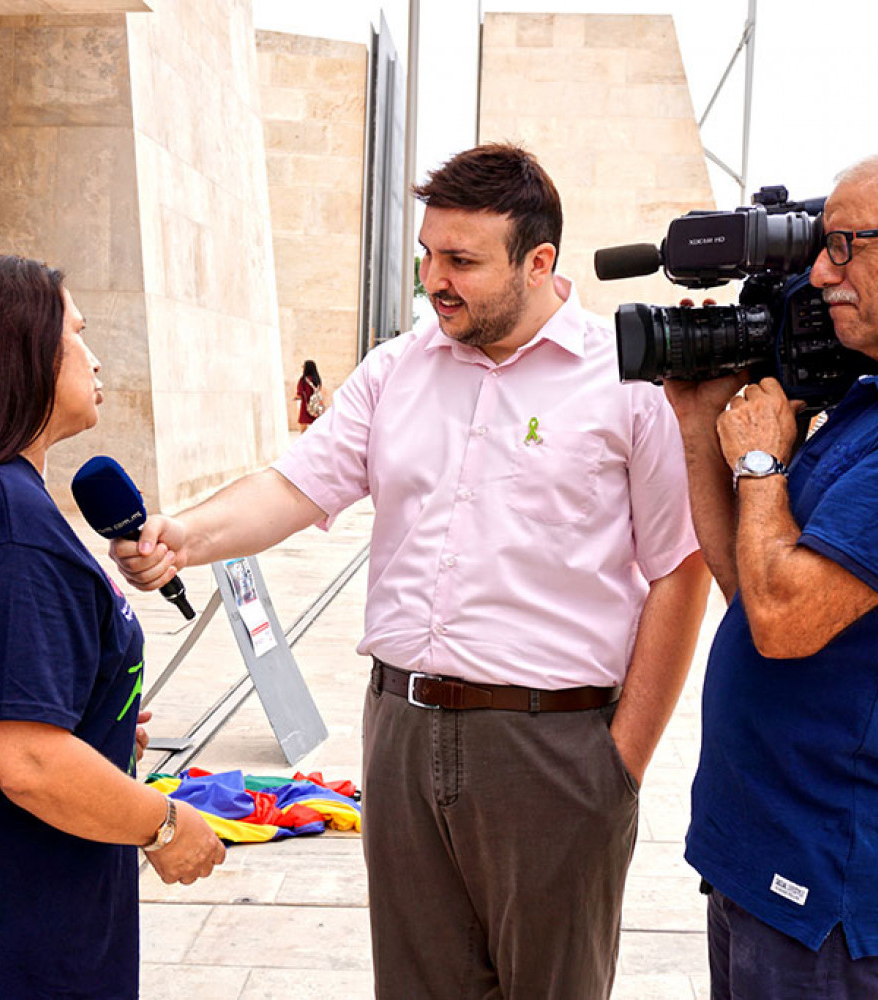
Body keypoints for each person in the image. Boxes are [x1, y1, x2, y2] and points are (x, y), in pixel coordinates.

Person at [111, 143, 709, 999]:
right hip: (400, 736)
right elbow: (295, 486)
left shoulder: (627, 380)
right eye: (428, 255)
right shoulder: (397, 368)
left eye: (462, 261)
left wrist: (620, 764)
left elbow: (680, 568)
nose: (435, 280)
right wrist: (183, 536)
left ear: (539, 262)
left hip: (552, 752)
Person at [0, 255, 225, 999]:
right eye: (77, 334)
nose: (95, 358)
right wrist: (165, 825)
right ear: (21, 355)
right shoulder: (8, 526)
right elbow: (28, 760)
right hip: (7, 932)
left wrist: (94, 718)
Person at [665, 155, 878, 999]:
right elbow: (753, 596)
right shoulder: (860, 410)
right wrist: (698, 425)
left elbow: (786, 623)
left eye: (846, 245)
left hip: (824, 890)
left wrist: (759, 465)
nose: (820, 273)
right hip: (762, 865)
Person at [294, 358, 325, 431]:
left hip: (306, 405)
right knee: (316, 426)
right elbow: (319, 390)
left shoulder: (303, 380)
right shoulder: (317, 380)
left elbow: (299, 393)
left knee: (303, 427)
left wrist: (296, 397)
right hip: (316, 406)